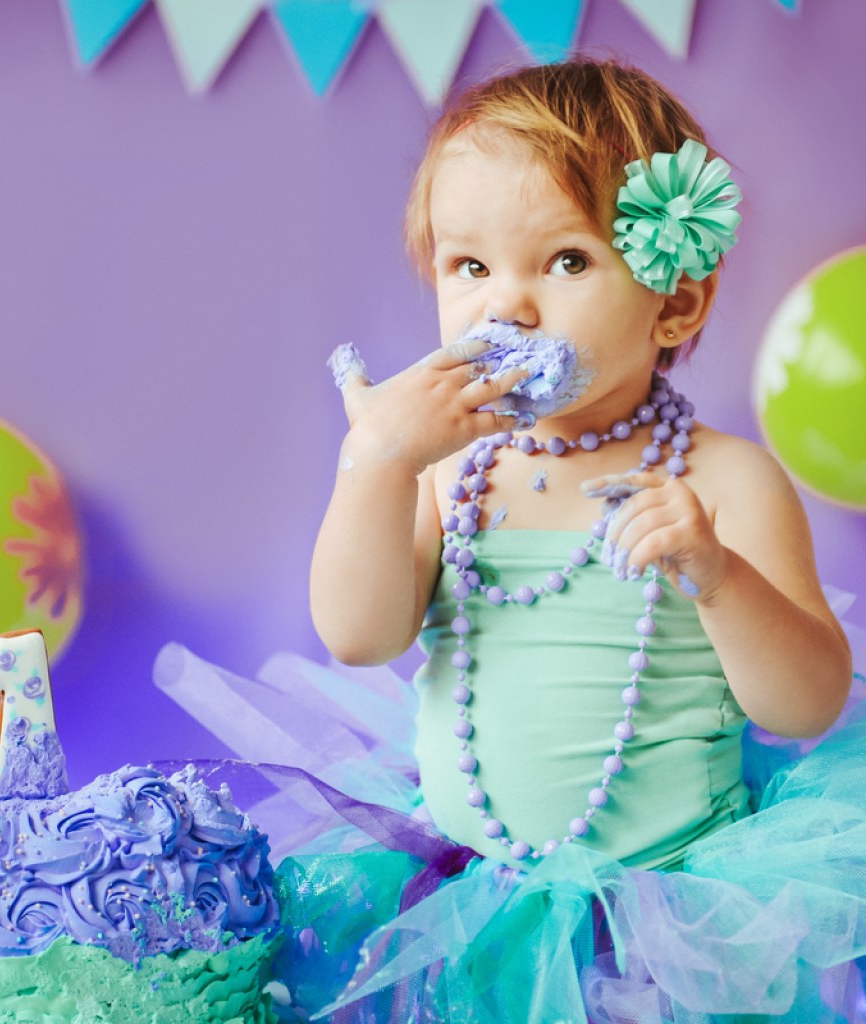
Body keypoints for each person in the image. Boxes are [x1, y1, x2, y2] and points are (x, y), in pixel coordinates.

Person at [289, 58, 863, 1023]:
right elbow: (358, 635)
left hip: (671, 925)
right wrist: (376, 463)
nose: (505, 307)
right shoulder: (442, 470)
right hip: (469, 907)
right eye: (469, 267)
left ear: (674, 301)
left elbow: (807, 704)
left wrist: (719, 580)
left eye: (564, 262)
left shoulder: (722, 481)